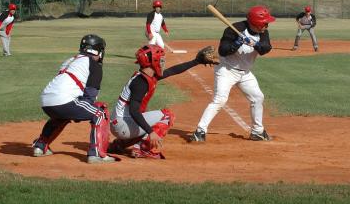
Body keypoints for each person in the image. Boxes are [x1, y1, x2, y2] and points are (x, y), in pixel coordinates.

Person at [109, 44, 217, 159]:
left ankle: (119, 145)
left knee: (147, 120)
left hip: (121, 124)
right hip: (123, 125)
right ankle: (142, 149)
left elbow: (173, 70)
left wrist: (196, 61)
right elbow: (134, 111)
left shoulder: (146, 76)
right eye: (160, 60)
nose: (162, 62)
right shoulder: (140, 83)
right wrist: (151, 132)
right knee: (167, 116)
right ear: (152, 61)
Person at [190, 5, 276, 142]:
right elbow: (223, 51)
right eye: (265, 22)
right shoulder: (233, 29)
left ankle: (257, 131)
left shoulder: (263, 32)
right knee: (220, 100)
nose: (267, 25)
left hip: (245, 73)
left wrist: (254, 44)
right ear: (257, 23)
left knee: (258, 97)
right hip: (227, 70)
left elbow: (266, 48)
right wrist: (237, 43)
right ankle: (200, 131)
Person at [32, 34, 116, 164]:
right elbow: (90, 96)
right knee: (100, 112)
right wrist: (79, 114)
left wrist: (77, 111)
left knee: (61, 115)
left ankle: (40, 146)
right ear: (98, 50)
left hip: (46, 101)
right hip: (64, 100)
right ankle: (97, 154)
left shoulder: (71, 59)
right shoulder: (94, 65)